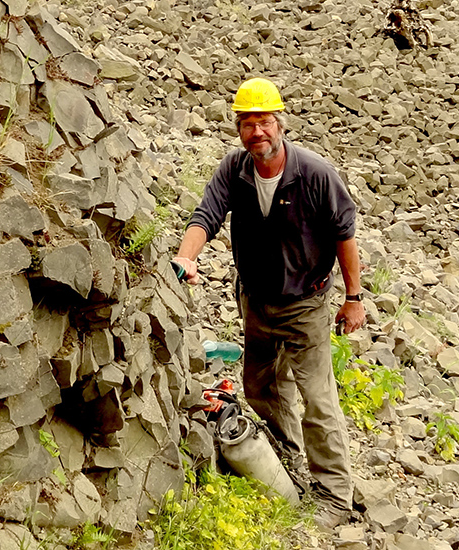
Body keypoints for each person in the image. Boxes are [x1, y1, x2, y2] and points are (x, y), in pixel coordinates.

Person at [172, 77, 366, 530]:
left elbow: (345, 234)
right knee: (263, 390)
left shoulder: (314, 173)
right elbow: (207, 215)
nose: (256, 132)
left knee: (317, 399)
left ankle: (335, 496)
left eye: (264, 122)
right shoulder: (234, 170)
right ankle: (286, 465)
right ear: (239, 129)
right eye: (247, 124)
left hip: (306, 303)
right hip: (257, 301)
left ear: (280, 124)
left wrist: (354, 298)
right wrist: (186, 255)